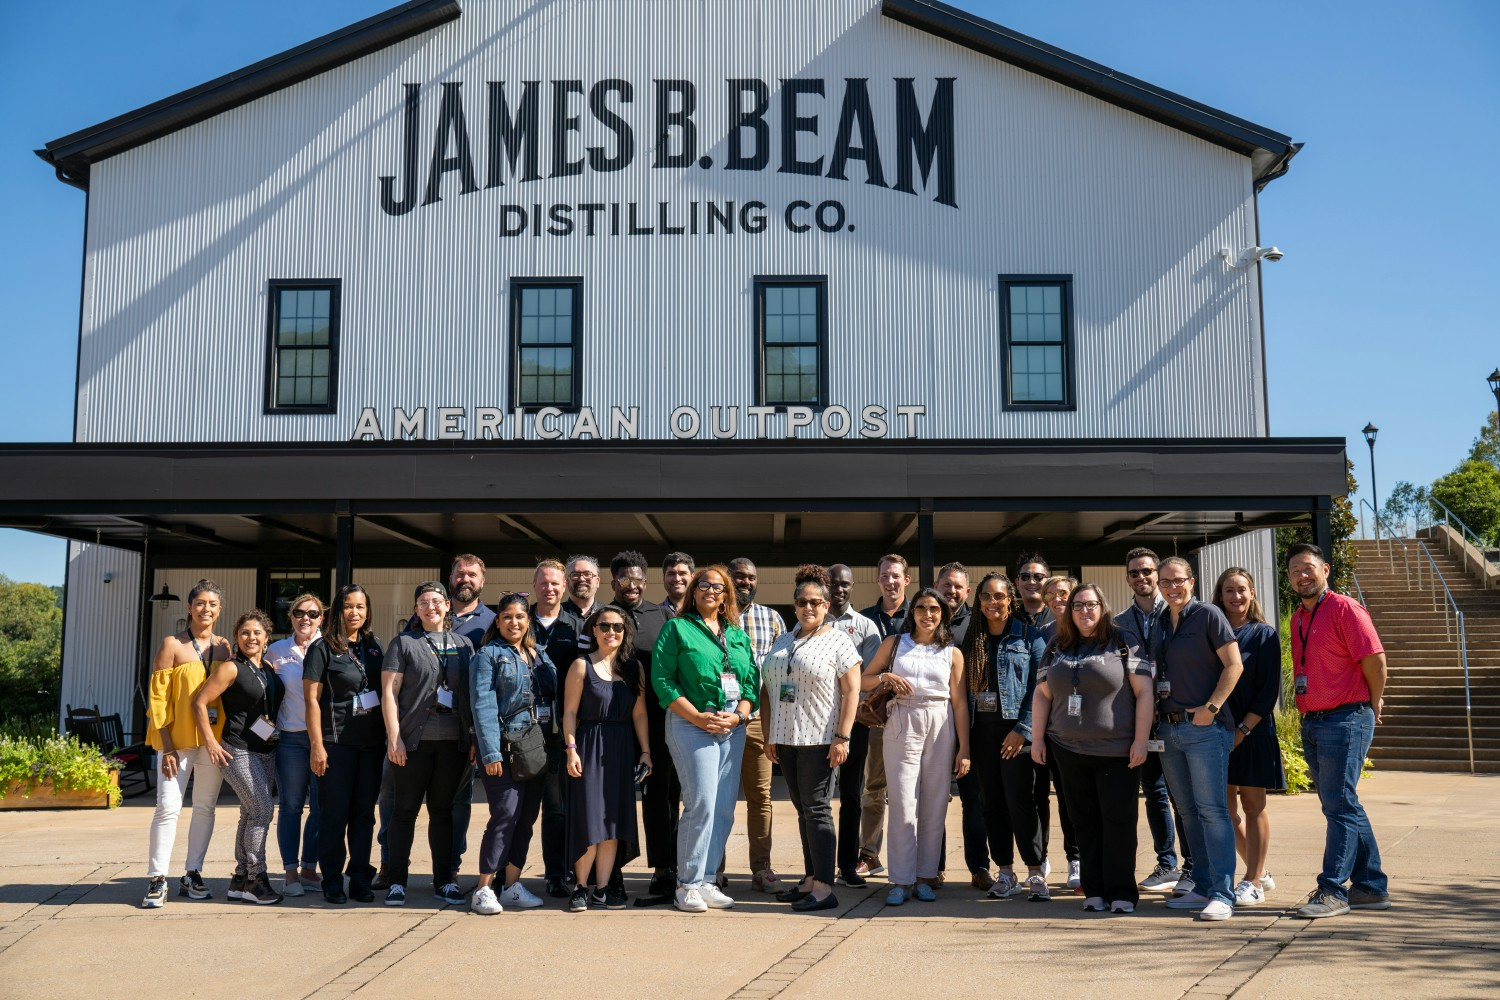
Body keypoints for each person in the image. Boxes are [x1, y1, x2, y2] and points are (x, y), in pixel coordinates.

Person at [1031, 585, 1153, 913]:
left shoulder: (1123, 641)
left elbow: (1144, 692)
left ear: (1102, 607)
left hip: (1117, 751)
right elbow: (1042, 694)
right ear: (1069, 610)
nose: (1085, 611)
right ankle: (1094, 891)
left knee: (1118, 821)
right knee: (1083, 822)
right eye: (1078, 605)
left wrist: (1141, 740)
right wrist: (1038, 738)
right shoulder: (1057, 644)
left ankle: (1122, 892)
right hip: (1068, 749)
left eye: (1091, 604)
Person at [376, 554, 492, 893]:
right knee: (405, 810)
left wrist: (472, 738)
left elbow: (472, 696)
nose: (431, 607)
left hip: (452, 743)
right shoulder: (404, 643)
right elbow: (388, 692)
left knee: (443, 812)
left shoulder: (464, 645)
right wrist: (394, 737)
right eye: (424, 603)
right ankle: (398, 879)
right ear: (416, 608)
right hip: (413, 742)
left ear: (447, 607)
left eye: (437, 601)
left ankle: (444, 879)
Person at [1286, 543, 1390, 919]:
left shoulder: (1344, 607)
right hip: (1314, 720)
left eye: (1308, 567)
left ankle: (1333, 890)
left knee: (1339, 804)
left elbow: (1375, 660)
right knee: (1341, 804)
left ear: (1325, 569)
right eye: (1295, 570)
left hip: (1346, 717)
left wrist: (1373, 701)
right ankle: (1371, 886)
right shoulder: (1300, 616)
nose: (1302, 575)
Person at [652, 565, 757, 914]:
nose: (711, 591)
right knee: (703, 805)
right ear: (694, 592)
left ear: (727, 595)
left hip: (732, 727)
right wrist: (697, 716)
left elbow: (751, 685)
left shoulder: (737, 635)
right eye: (704, 585)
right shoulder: (677, 628)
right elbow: (663, 681)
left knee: (725, 810)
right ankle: (688, 884)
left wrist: (739, 715)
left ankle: (709, 879)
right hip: (691, 724)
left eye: (719, 587)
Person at [762, 565, 862, 913]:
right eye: (803, 602)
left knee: (818, 810)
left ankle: (824, 887)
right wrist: (769, 733)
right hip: (786, 739)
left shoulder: (839, 640)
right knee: (804, 811)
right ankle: (809, 879)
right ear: (795, 605)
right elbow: (769, 689)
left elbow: (852, 692)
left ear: (826, 606)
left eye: (816, 603)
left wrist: (842, 737)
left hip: (820, 738)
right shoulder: (784, 639)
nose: (809, 608)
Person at [862, 588, 971, 906]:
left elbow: (960, 703)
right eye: (921, 607)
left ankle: (925, 876)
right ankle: (900, 879)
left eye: (934, 608)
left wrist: (964, 749)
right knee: (902, 803)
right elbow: (865, 679)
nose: (928, 613)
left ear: (943, 614)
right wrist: (886, 677)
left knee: (935, 803)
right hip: (902, 721)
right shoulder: (895, 644)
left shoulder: (952, 652)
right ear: (912, 612)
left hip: (940, 722)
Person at [1151, 556, 1244, 922]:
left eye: (1178, 581)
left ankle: (1223, 893)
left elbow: (1234, 665)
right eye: (1165, 583)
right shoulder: (1160, 622)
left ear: (1191, 582)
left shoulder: (1208, 615)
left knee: (1212, 811)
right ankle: (1203, 886)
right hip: (1168, 729)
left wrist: (1212, 707)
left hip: (1202, 728)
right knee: (1187, 812)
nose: (1172, 588)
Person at [141, 578, 229, 909]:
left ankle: (193, 872)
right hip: (176, 743)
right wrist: (167, 746)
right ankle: (157, 878)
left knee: (205, 807)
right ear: (189, 607)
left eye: (213, 604)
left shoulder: (224, 647)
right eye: (201, 603)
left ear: (219, 610)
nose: (206, 609)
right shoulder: (172, 645)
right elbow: (158, 701)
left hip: (212, 742)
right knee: (167, 807)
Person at [961, 573, 1048, 901]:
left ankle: (1036, 872)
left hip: (1016, 736)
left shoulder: (1030, 637)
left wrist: (1022, 732)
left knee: (1021, 803)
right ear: (978, 601)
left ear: (1010, 599)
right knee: (992, 805)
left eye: (999, 596)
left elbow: (1040, 689)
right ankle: (1006, 872)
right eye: (986, 596)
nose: (992, 603)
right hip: (982, 734)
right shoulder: (972, 641)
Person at [469, 593, 557, 915]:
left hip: (535, 745)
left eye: (520, 617)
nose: (514, 622)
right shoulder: (488, 655)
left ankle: (512, 886)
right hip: (503, 746)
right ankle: (483, 888)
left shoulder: (538, 654)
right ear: (497, 620)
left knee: (526, 818)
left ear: (528, 620)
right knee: (505, 814)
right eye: (507, 617)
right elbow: (483, 706)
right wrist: (490, 753)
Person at [562, 605, 652, 912]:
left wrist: (646, 752)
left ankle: (601, 889)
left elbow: (640, 714)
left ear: (625, 632)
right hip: (587, 745)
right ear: (594, 631)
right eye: (604, 626)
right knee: (589, 818)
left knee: (613, 821)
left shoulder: (634, 668)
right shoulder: (580, 666)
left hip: (622, 746)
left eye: (617, 627)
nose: (611, 632)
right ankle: (580, 887)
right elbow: (570, 713)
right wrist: (571, 749)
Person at [193, 608, 285, 905]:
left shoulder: (268, 670)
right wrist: (211, 742)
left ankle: (240, 879)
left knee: (250, 813)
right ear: (236, 638)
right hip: (237, 749)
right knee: (262, 811)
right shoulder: (231, 668)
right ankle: (257, 879)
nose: (251, 637)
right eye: (245, 632)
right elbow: (199, 702)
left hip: (266, 751)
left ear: (267, 637)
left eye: (257, 632)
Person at [305, 584, 386, 904]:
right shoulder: (322, 647)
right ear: (338, 610)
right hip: (335, 745)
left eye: (361, 607)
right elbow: (311, 700)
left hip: (371, 745)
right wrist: (316, 745)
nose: (355, 612)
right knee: (334, 815)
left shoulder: (374, 646)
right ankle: (333, 881)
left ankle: (360, 878)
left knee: (364, 815)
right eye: (349, 606)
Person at [1115, 546, 1189, 893]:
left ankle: (1193, 866)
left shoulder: (1180, 612)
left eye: (1147, 571)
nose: (1141, 577)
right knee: (1155, 793)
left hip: (1177, 715)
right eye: (1135, 573)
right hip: (1141, 720)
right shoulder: (1119, 624)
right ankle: (1167, 864)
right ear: (1128, 579)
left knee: (1182, 795)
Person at [1212, 567, 1285, 907]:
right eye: (1229, 590)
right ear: (1220, 595)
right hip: (1217, 732)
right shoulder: (1211, 631)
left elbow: (1268, 691)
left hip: (1253, 731)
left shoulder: (1264, 634)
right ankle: (1259, 869)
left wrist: (1242, 730)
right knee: (1225, 811)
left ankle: (1252, 880)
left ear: (1252, 593)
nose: (1236, 596)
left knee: (1253, 806)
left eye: (1242, 589)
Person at [606, 550, 674, 900]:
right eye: (623, 580)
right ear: (612, 582)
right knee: (615, 798)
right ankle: (612, 871)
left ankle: (664, 870)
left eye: (637, 580)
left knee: (660, 798)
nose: (631, 586)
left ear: (646, 583)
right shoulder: (604, 618)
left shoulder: (661, 616)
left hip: (659, 724)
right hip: (614, 724)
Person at [1013, 551, 1078, 891]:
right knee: (1036, 795)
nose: (1034, 584)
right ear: (1017, 582)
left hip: (1070, 726)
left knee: (1069, 795)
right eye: (1027, 577)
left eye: (1040, 577)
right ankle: (1041, 857)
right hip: (1032, 725)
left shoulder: (1078, 624)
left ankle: (1075, 858)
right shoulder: (1011, 619)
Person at [729, 557, 785, 893]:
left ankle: (761, 869)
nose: (745, 582)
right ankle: (713, 870)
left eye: (751, 577)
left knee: (760, 797)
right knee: (717, 796)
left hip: (758, 721)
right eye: (739, 577)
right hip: (718, 719)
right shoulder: (713, 616)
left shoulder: (772, 618)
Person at [529, 558, 585, 898]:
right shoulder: (519, 620)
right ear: (534, 585)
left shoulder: (577, 626)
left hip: (561, 730)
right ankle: (509, 874)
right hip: (522, 727)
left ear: (564, 588)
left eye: (555, 583)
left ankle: (555, 873)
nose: (550, 588)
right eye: (544, 582)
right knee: (517, 808)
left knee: (557, 807)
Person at [854, 553, 911, 880]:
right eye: (885, 576)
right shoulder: (864, 620)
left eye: (896, 576)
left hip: (911, 714)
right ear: (879, 580)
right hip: (875, 716)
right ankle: (869, 854)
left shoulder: (918, 617)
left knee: (912, 789)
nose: (890, 581)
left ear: (906, 580)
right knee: (874, 787)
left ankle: (917, 858)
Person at [825, 563, 881, 887]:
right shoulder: (814, 620)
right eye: (834, 583)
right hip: (816, 723)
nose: (840, 589)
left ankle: (847, 863)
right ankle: (816, 866)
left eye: (845, 584)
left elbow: (867, 681)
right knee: (819, 798)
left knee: (851, 795)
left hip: (854, 723)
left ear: (852, 587)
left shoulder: (865, 628)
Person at [935, 561, 988, 889]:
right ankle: (933, 866)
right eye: (946, 586)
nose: (952, 591)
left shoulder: (978, 624)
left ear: (967, 592)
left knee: (974, 800)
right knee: (934, 800)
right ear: (937, 586)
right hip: (935, 726)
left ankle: (979, 868)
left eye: (958, 587)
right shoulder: (926, 620)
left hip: (972, 724)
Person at [267, 594, 322, 897]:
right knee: (290, 806)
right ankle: (290, 872)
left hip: (324, 740)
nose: (306, 619)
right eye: (299, 613)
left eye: (313, 614)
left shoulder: (331, 647)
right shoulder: (275, 651)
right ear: (290, 617)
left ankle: (310, 868)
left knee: (321, 806)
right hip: (291, 738)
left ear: (321, 618)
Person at [564, 555, 602, 620]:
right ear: (567, 582)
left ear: (597, 582)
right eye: (575, 575)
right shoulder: (555, 614)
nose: (581, 579)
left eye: (587, 574)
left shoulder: (609, 614)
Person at [661, 551, 696, 616]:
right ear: (663, 577)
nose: (677, 579)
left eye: (682, 573)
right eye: (671, 574)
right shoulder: (653, 615)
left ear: (693, 577)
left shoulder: (702, 613)